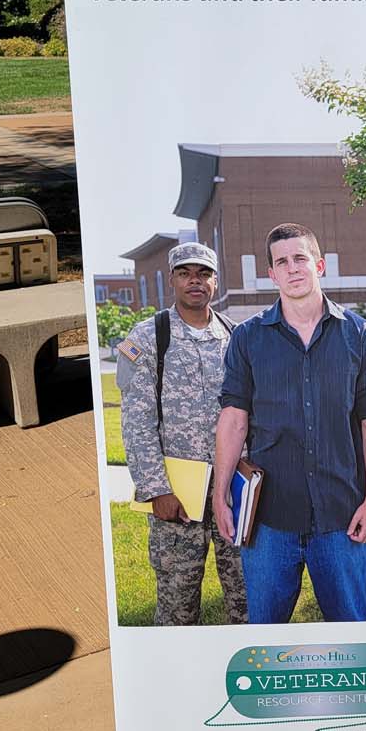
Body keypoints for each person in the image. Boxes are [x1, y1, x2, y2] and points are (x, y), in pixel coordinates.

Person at [213, 223, 366, 623]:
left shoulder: (360, 335)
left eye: (300, 258)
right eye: (281, 262)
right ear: (271, 274)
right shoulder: (247, 338)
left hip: (341, 516)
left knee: (352, 633)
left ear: (320, 265)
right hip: (270, 520)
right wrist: (220, 494)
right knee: (265, 633)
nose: (292, 268)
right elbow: (233, 419)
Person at [117, 242, 247, 627]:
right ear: (172, 279)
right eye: (186, 273)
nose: (196, 281)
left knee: (248, 599)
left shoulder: (235, 336)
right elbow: (136, 421)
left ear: (215, 280)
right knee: (177, 603)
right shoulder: (147, 336)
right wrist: (156, 488)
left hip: (232, 491)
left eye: (204, 273)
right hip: (178, 493)